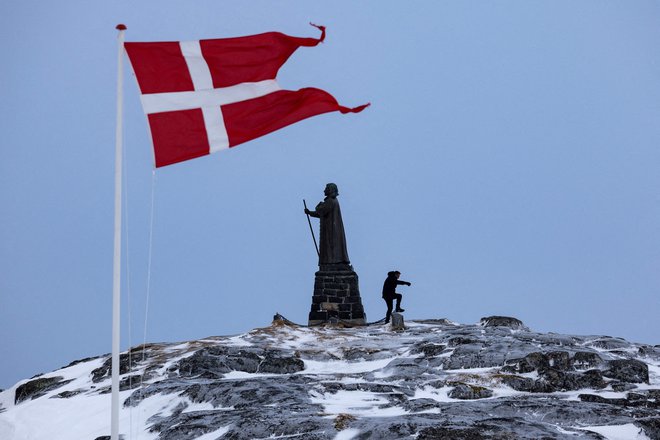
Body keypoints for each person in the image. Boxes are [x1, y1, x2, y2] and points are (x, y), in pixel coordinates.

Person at [304, 183, 350, 266]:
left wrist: (317, 206)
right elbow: (322, 213)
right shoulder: (332, 200)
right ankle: (331, 261)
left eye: (326, 188)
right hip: (331, 228)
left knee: (331, 246)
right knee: (331, 246)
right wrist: (310, 212)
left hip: (331, 230)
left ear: (330, 190)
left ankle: (332, 261)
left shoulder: (330, 201)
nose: (324, 190)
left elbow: (321, 210)